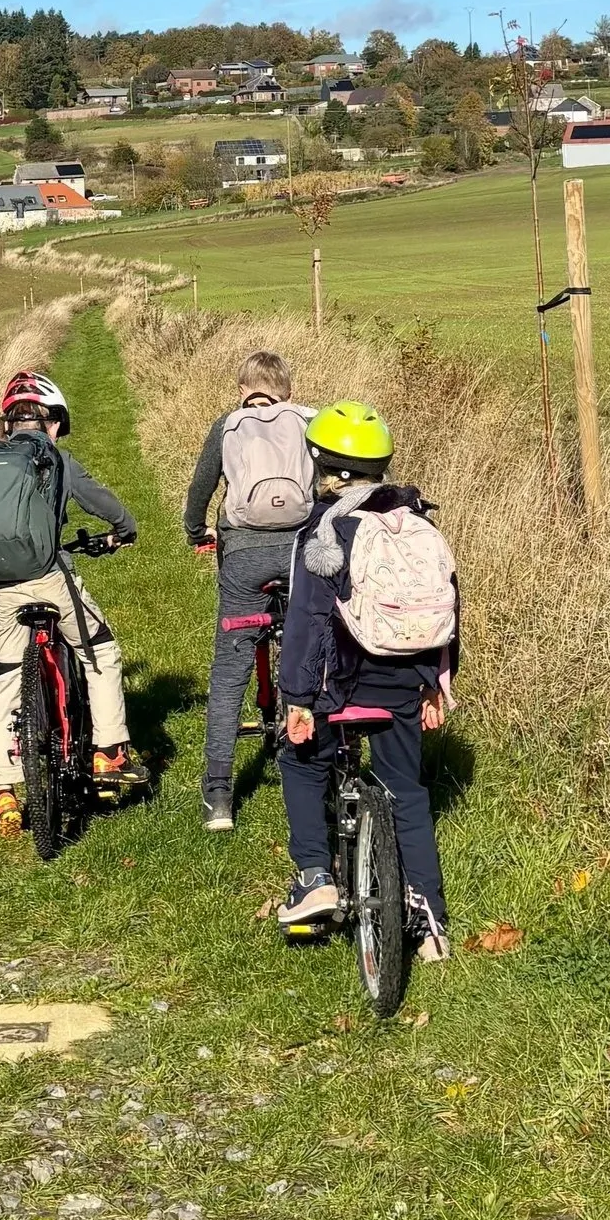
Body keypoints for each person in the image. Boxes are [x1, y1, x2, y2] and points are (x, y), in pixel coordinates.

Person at [274, 401, 457, 963]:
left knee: (299, 760)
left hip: (342, 684)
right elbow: (448, 607)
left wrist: (298, 700)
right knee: (408, 790)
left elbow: (306, 621)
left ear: (321, 464)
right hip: (406, 681)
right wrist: (435, 683)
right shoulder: (417, 522)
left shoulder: (326, 531)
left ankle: (314, 877)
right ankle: (430, 922)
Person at [0, 368, 143, 837]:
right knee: (102, 651)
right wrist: (125, 529)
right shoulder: (55, 459)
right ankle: (109, 750)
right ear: (50, 421)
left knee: (7, 680)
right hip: (49, 577)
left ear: (8, 420)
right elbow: (106, 506)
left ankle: (5, 789)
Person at [182, 349, 315, 831]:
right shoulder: (309, 422)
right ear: (287, 391)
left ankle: (218, 793)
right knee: (313, 645)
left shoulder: (228, 425)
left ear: (244, 389)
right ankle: (320, 759)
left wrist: (197, 532)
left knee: (229, 669)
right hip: (301, 551)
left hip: (243, 556)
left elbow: (201, 490)